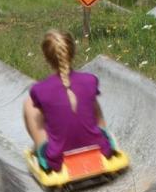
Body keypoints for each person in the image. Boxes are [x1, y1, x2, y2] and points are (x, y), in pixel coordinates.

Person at [23, 29, 114, 172]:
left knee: (29, 104)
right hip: (100, 151)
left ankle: (40, 149)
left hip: (59, 161)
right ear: (73, 52)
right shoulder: (90, 80)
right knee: (91, 101)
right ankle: (104, 139)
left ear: (46, 58)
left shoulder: (39, 90)